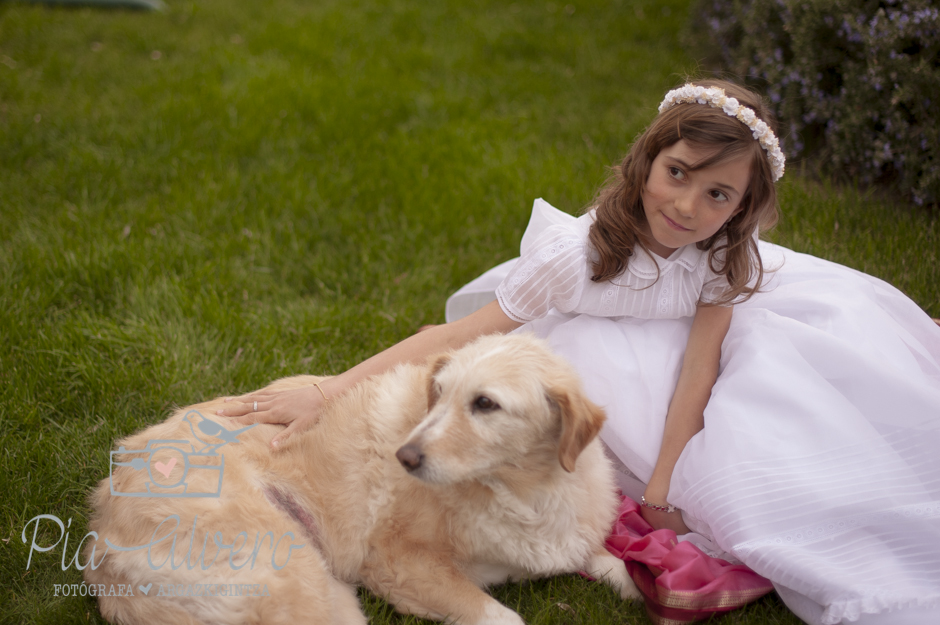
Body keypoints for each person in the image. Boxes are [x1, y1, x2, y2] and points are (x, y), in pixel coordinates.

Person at [220, 79, 940, 625]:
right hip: (594, 324)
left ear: (742, 210)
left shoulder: (722, 255)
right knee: (591, 386)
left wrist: (661, 485)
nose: (687, 206)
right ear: (649, 160)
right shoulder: (575, 257)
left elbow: (698, 372)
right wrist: (329, 389)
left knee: (794, 401)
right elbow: (451, 339)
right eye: (678, 172)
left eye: (718, 194)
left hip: (682, 339)